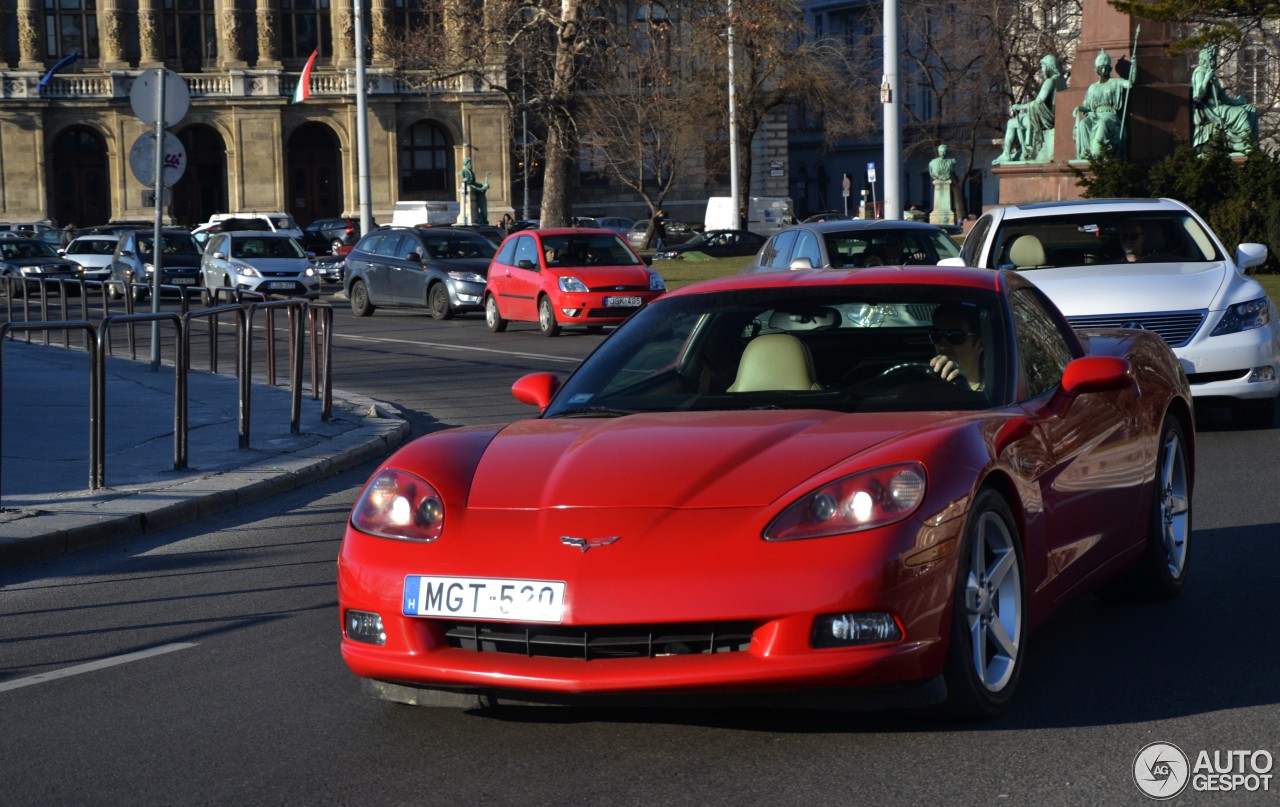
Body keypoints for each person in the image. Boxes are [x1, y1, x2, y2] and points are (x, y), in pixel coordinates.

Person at [994, 54, 1066, 165]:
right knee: (1019, 122)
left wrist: (1019, 107)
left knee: (1011, 123)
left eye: (1043, 67)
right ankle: (1023, 151)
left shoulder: (1049, 82)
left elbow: (1038, 102)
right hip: (1054, 116)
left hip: (1046, 119)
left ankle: (1006, 155)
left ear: (1049, 67)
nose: (1042, 70)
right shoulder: (1062, 82)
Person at [1191, 43, 1258, 154]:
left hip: (1220, 106)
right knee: (1240, 113)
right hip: (1210, 109)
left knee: (1251, 109)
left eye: (1214, 57)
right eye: (1212, 57)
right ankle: (1245, 145)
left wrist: (1237, 101)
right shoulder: (1200, 71)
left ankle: (1252, 144)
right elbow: (1198, 94)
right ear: (1205, 57)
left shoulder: (1211, 73)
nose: (1214, 60)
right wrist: (1206, 79)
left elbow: (1224, 98)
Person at [1073, 49, 1136, 160]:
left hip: (1109, 115)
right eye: (1100, 68)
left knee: (1103, 123)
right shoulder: (1093, 87)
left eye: (1105, 68)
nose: (1103, 70)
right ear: (1096, 69)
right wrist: (1078, 108)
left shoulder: (1115, 82)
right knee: (1083, 123)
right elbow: (1087, 106)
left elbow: (1130, 84)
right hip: (1094, 115)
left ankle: (1098, 152)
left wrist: (1134, 67)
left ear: (1109, 69)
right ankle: (1086, 153)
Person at [928, 302, 984, 391]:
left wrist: (965, 390)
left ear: (979, 345)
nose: (942, 346)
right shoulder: (925, 387)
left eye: (955, 336)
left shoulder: (993, 395)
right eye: (936, 335)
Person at [460, 157, 490, 225]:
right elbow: (470, 183)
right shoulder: (464, 171)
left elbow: (474, 183)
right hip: (472, 189)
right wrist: (481, 188)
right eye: (469, 162)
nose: (471, 164)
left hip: (475, 190)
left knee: (484, 210)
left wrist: (483, 185)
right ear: (466, 164)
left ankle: (482, 220)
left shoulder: (471, 172)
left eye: (470, 162)